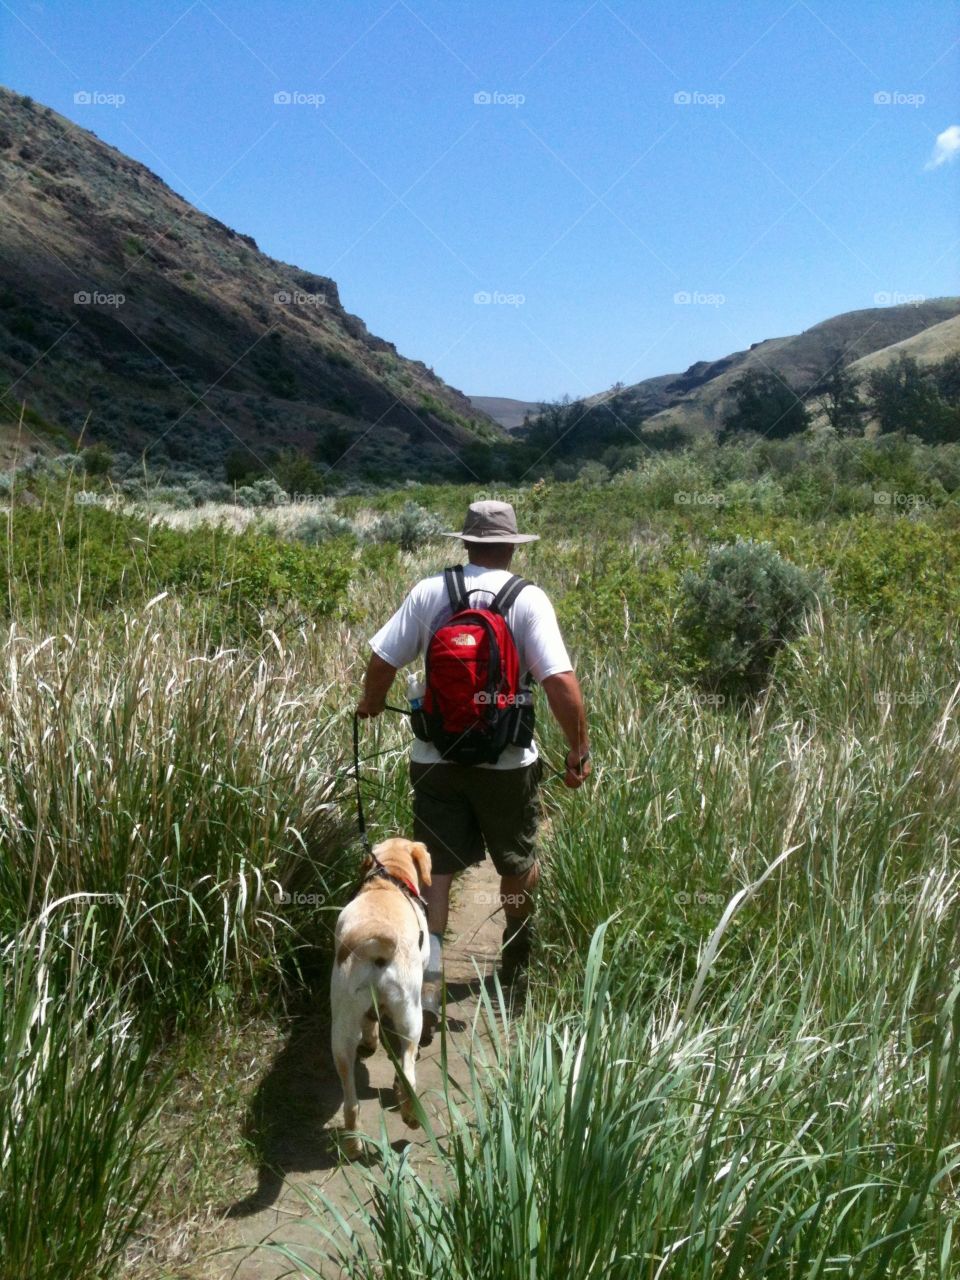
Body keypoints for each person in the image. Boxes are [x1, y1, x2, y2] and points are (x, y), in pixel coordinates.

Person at [356, 499, 591, 1043]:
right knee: (517, 859)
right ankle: (516, 948)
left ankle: (429, 989)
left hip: (434, 758)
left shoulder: (429, 592)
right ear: (511, 546)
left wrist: (371, 704)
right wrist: (578, 749)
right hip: (507, 763)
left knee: (436, 873)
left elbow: (383, 661)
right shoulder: (527, 599)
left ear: (465, 543)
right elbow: (560, 685)